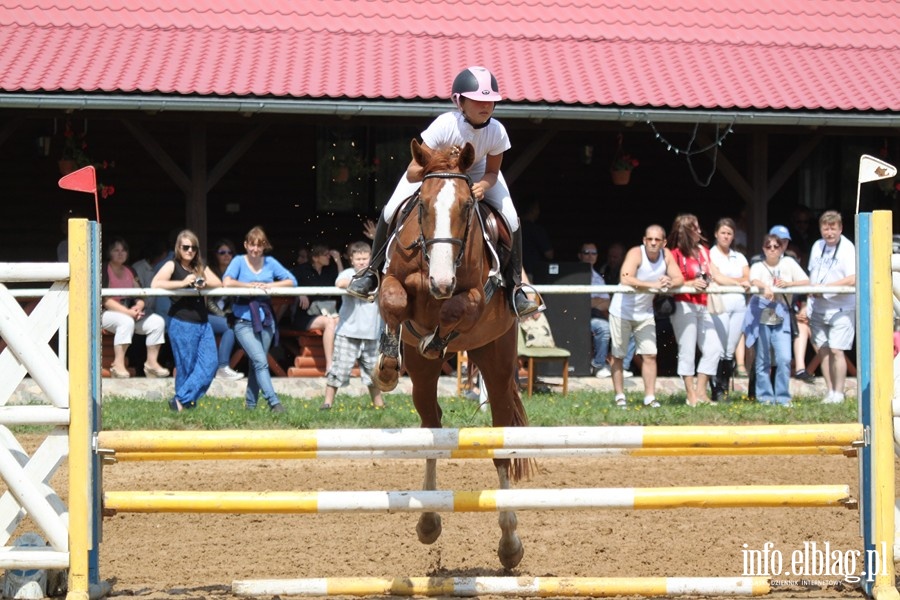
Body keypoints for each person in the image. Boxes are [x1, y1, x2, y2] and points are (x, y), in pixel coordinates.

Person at [345, 66, 540, 318]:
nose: (486, 106)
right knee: (391, 208)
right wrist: (440, 169)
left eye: (490, 101)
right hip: (435, 172)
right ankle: (372, 272)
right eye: (478, 100)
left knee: (512, 218)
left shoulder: (497, 131)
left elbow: (492, 172)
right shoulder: (445, 125)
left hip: (479, 172)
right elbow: (415, 170)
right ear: (459, 101)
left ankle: (515, 288)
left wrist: (482, 186)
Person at [609, 224, 684, 408]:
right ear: (644, 240)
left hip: (645, 313)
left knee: (650, 355)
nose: (652, 243)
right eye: (649, 239)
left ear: (664, 243)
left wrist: (669, 281)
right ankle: (620, 396)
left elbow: (679, 278)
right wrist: (653, 285)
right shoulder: (636, 253)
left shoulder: (666, 256)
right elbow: (625, 278)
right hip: (621, 311)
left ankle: (649, 397)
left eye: (657, 240)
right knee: (618, 355)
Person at [224, 226, 297, 412]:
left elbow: (291, 281)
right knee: (260, 361)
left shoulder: (270, 262)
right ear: (246, 245)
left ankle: (250, 406)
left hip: (266, 320)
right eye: (252, 245)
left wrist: (267, 285)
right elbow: (227, 281)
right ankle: (274, 403)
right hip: (242, 320)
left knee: (256, 363)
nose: (255, 249)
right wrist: (249, 286)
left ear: (264, 247)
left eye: (259, 246)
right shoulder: (238, 261)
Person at [151, 230, 222, 411]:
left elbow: (219, 283)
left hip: (203, 323)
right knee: (186, 366)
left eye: (193, 247)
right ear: (178, 248)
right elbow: (156, 283)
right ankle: (186, 407)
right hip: (182, 322)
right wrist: (183, 283)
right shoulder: (172, 265)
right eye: (186, 247)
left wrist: (202, 281)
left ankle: (180, 400)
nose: (190, 251)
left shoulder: (200, 266)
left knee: (211, 363)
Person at [745, 233, 809, 406]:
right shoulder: (757, 265)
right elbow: (753, 279)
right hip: (762, 310)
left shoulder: (788, 263)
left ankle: (782, 397)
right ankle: (764, 396)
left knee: (784, 358)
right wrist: (766, 287)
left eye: (776, 246)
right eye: (768, 246)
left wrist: (788, 285)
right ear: (763, 249)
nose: (772, 249)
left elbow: (806, 281)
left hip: (781, 310)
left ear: (781, 248)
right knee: (762, 358)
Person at [320, 241, 385, 410]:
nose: (362, 262)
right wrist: (361, 284)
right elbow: (340, 283)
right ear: (352, 260)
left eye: (365, 258)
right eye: (358, 259)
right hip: (348, 332)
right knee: (338, 370)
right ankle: (327, 404)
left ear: (370, 257)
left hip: (372, 333)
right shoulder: (349, 273)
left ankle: (379, 406)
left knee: (373, 374)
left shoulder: (377, 275)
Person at [667, 214, 724, 406]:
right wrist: (691, 283)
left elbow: (715, 274)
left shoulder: (704, 251)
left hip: (704, 303)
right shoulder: (673, 254)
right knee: (687, 350)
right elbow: (672, 281)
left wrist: (744, 282)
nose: (700, 231)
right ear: (686, 231)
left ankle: (701, 391)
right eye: (696, 228)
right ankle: (690, 394)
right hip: (684, 304)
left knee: (714, 348)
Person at [100, 237, 169, 379]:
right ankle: (118, 365)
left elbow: (140, 294)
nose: (120, 253)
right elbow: (105, 300)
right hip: (105, 314)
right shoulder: (103, 269)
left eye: (124, 250)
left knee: (157, 322)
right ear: (109, 253)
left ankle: (151, 363)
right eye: (116, 250)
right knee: (126, 322)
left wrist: (138, 306)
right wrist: (128, 313)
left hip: (130, 313)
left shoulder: (130, 270)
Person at [807, 210, 856, 404]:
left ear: (840, 228)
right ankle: (830, 392)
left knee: (837, 350)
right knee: (823, 351)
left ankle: (839, 392)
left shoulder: (848, 248)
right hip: (818, 306)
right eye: (825, 228)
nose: (829, 232)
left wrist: (826, 288)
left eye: (833, 228)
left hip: (841, 307)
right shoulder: (817, 246)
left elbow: (852, 278)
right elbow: (812, 274)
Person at [708, 217, 750, 400]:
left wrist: (734, 281)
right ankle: (715, 386)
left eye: (729, 233)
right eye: (723, 233)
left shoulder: (739, 256)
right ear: (716, 234)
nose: (726, 236)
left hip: (739, 304)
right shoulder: (711, 254)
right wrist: (737, 282)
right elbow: (717, 277)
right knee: (719, 344)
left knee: (730, 347)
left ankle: (723, 386)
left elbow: (748, 276)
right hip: (720, 303)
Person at [292, 242, 342, 374]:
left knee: (342, 320)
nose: (328, 257)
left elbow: (343, 280)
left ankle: (343, 363)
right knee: (329, 322)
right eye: (326, 255)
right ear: (315, 257)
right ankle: (330, 366)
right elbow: (287, 279)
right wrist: (299, 292)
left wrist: (338, 261)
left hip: (328, 312)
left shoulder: (329, 270)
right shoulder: (302, 269)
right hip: (306, 315)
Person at [207, 238, 244, 380]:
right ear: (215, 255)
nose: (226, 255)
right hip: (207, 316)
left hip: (226, 317)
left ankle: (224, 367)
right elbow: (208, 303)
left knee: (237, 327)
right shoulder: (210, 273)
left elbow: (234, 301)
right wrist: (224, 316)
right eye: (222, 252)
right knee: (229, 327)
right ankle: (223, 367)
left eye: (230, 252)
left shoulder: (236, 274)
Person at [578, 242, 612, 378]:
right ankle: (598, 366)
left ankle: (605, 366)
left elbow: (607, 304)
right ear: (580, 255)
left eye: (594, 253)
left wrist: (589, 301)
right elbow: (573, 302)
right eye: (587, 252)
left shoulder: (598, 278)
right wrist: (594, 301)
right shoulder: (571, 273)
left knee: (606, 327)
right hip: (573, 317)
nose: (590, 256)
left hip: (593, 317)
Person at [131, 238, 168, 317]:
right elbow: (138, 294)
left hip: (160, 312)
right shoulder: (138, 268)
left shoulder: (165, 267)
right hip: (141, 311)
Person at [520, 196, 554, 280]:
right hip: (532, 273)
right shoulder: (536, 230)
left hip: (514, 272)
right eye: (537, 208)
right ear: (532, 210)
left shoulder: (514, 228)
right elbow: (549, 254)